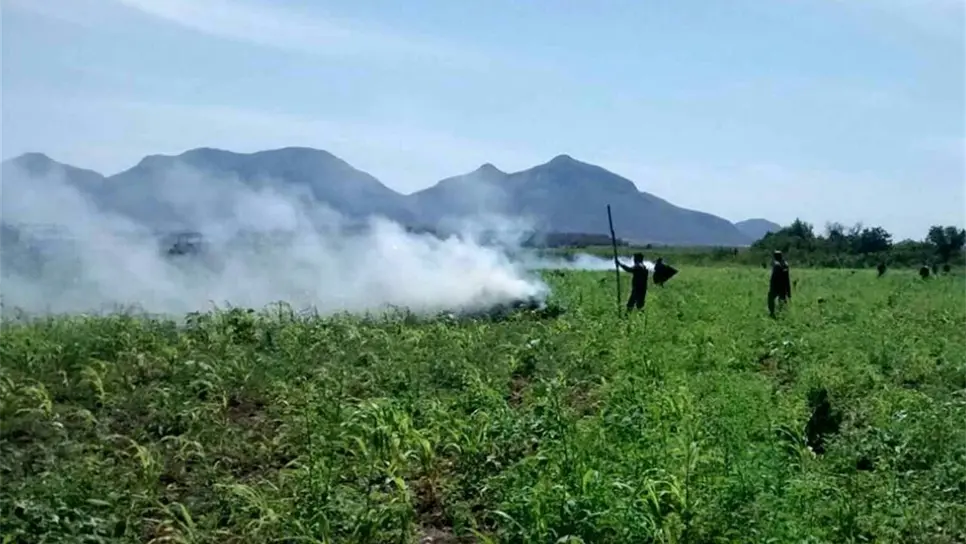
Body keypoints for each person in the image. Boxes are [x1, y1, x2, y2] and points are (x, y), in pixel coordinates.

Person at [768, 250, 791, 317]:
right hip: (784, 285)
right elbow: (787, 278)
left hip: (776, 285)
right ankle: (782, 313)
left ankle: (772, 313)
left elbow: (773, 277)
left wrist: (771, 286)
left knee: (771, 298)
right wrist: (788, 290)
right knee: (782, 300)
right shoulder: (785, 264)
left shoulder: (776, 265)